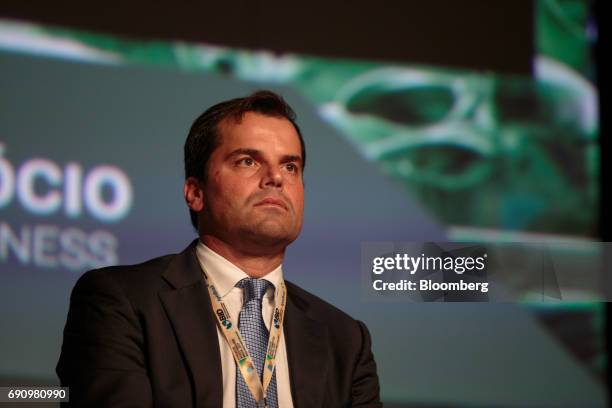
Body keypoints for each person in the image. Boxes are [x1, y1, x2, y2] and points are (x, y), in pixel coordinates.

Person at [56, 90, 382, 407]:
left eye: (290, 167)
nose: (275, 178)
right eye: (247, 161)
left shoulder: (345, 340)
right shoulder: (121, 302)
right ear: (196, 193)